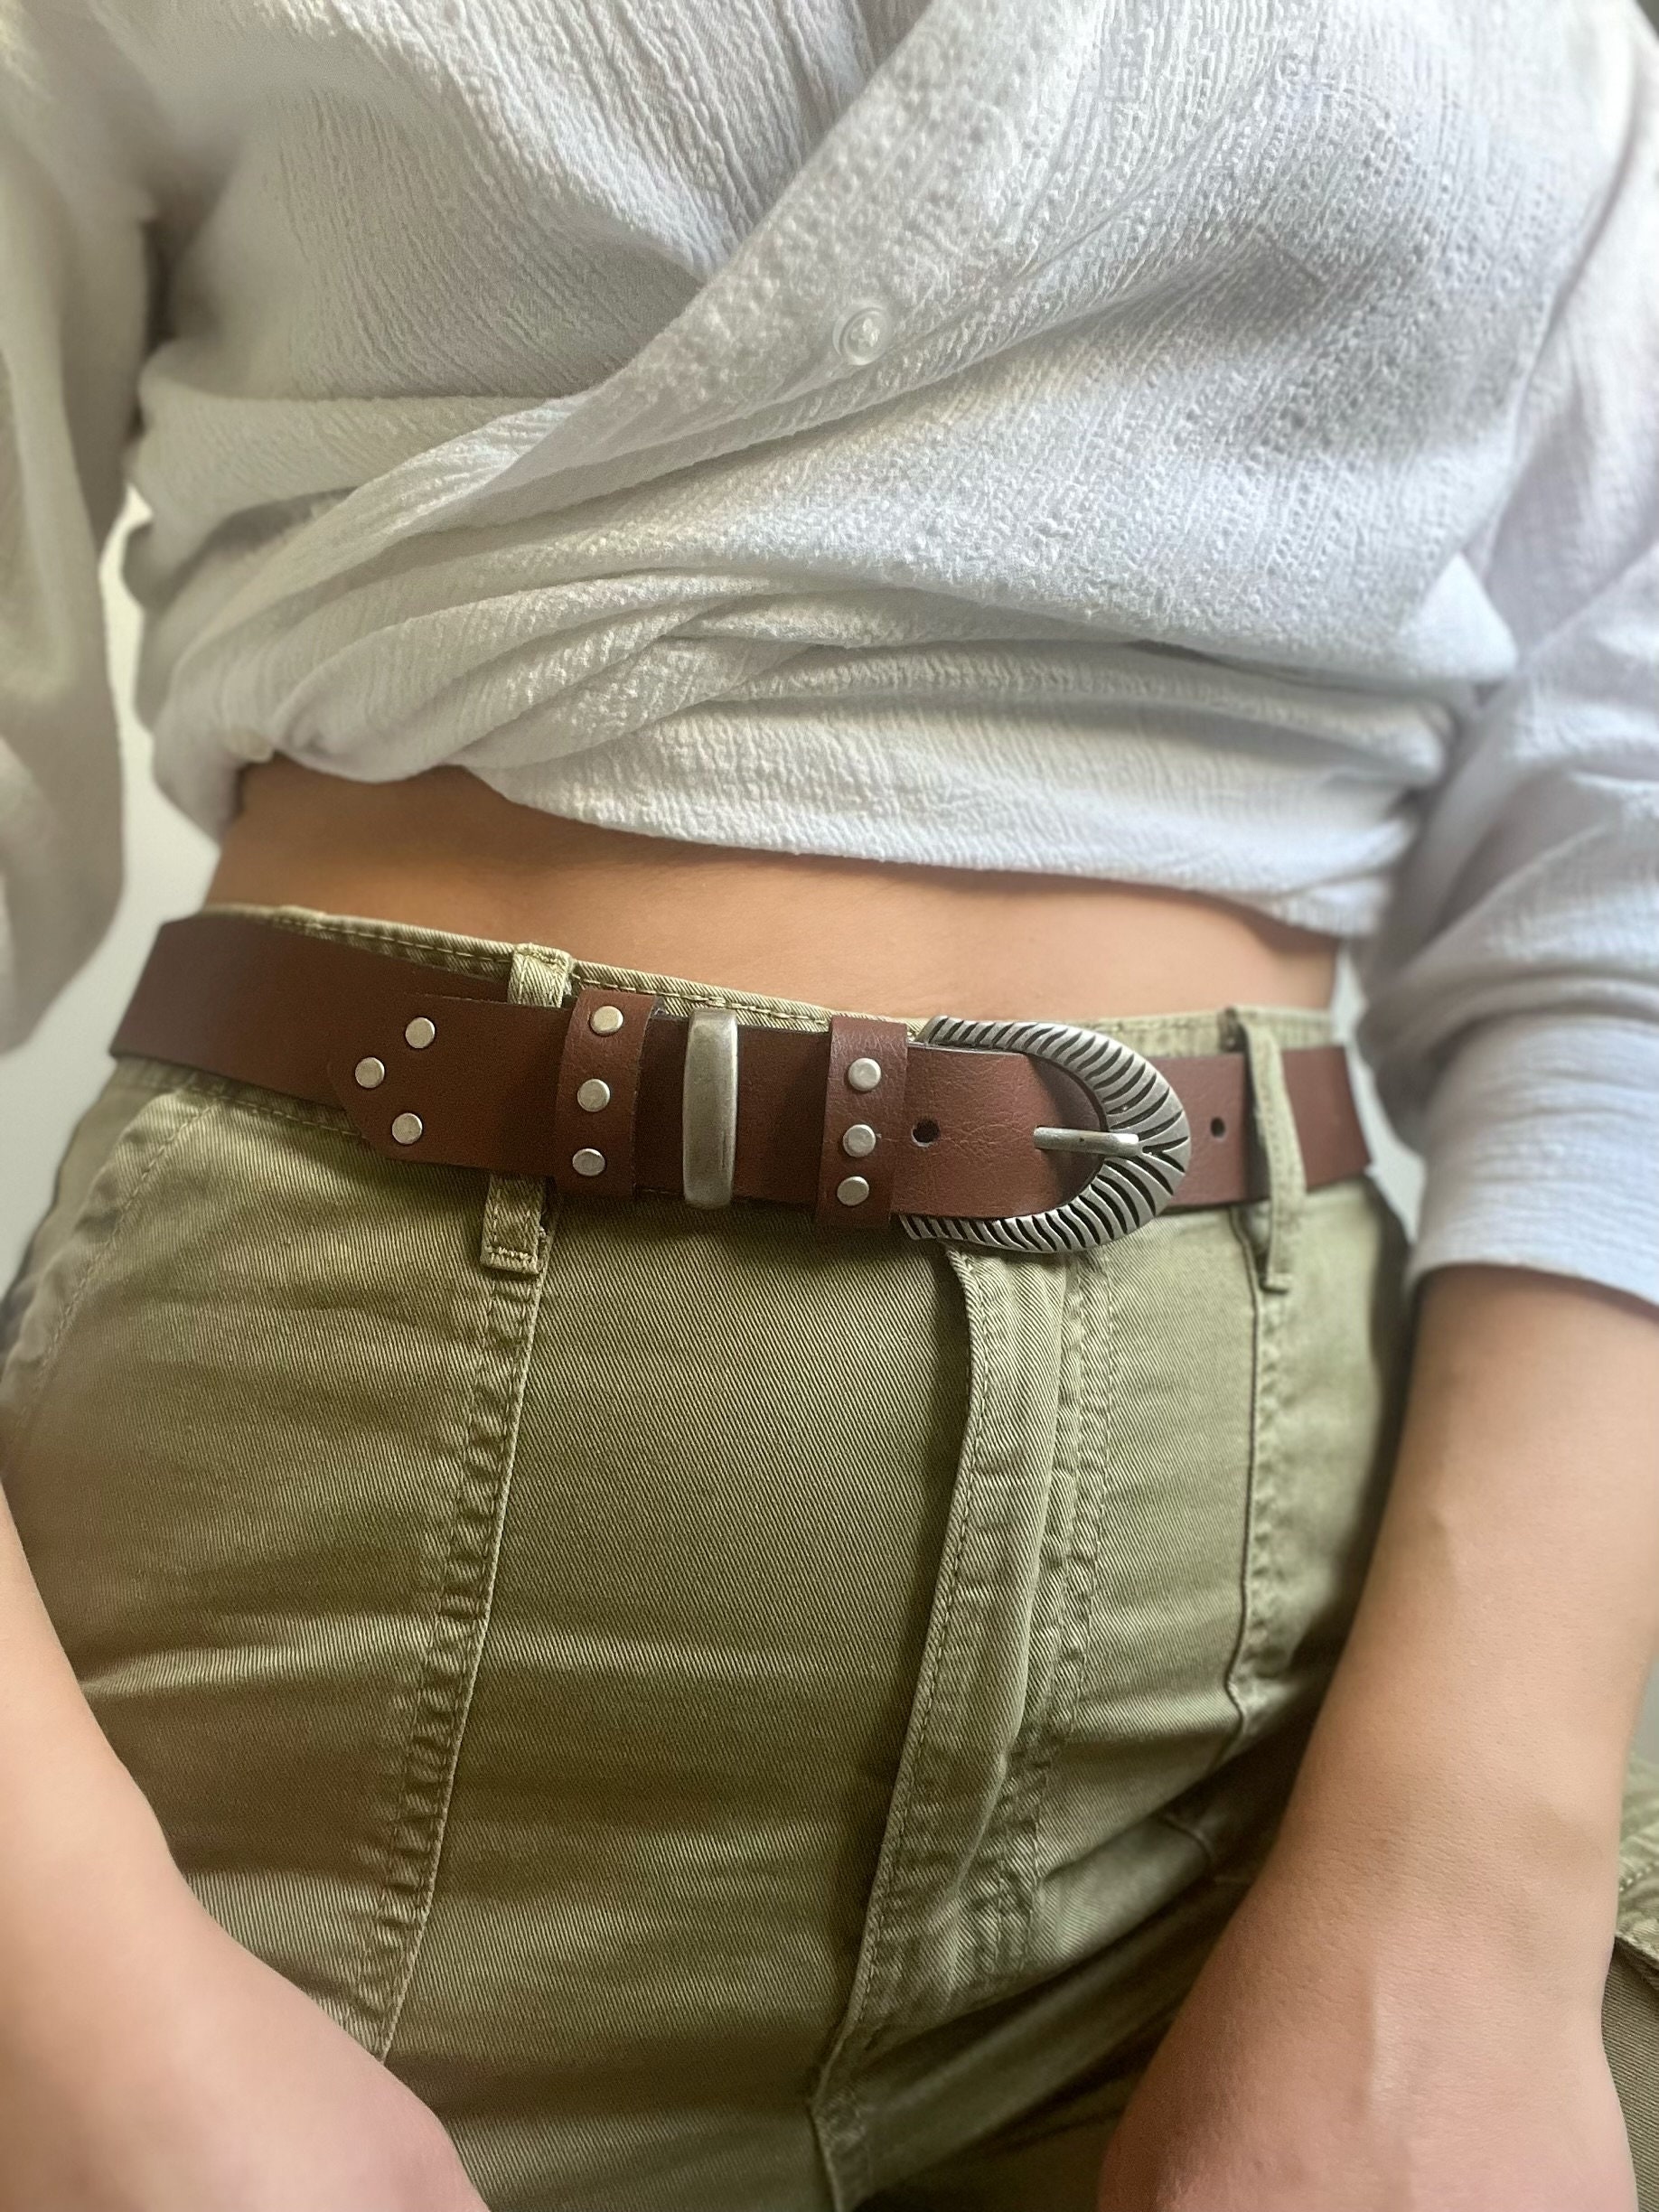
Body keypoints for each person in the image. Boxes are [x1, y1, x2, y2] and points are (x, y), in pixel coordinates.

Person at [1, 2, 1656, 2207]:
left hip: (1284, 1733)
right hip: (305, 1653)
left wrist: (1475, 1888)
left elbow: (1621, 894)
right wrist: (63, 1982)